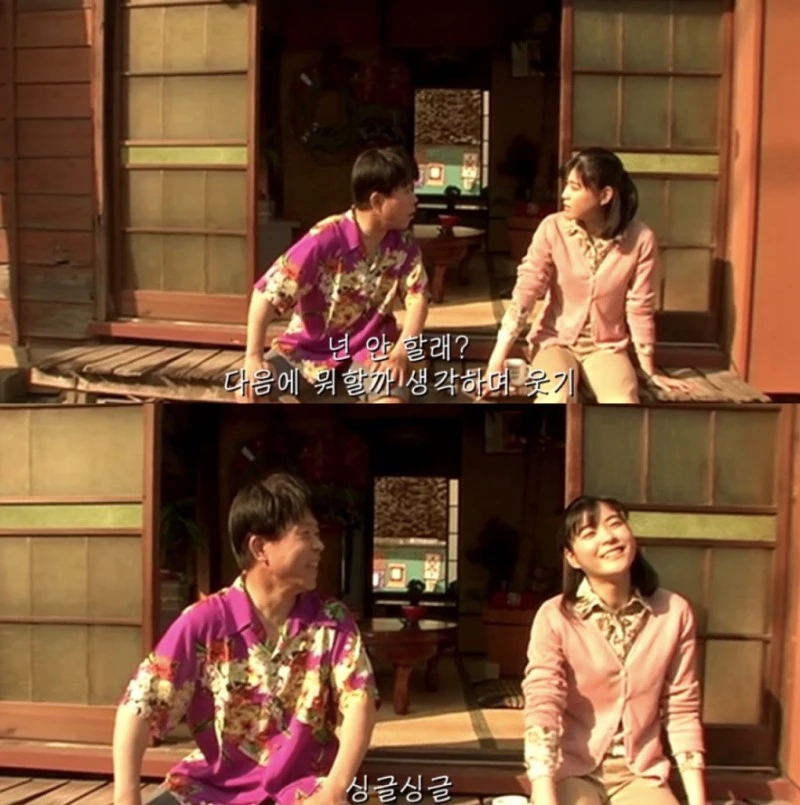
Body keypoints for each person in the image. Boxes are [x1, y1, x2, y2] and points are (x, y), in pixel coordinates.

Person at [112, 473, 378, 805]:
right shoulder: (204, 621)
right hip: (212, 789)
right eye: (305, 534)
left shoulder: (333, 620)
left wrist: (336, 789)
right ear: (260, 548)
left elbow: (360, 702)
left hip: (304, 790)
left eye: (317, 534)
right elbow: (139, 707)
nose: (319, 545)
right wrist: (126, 798)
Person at [523, 495, 708, 805]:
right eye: (589, 532)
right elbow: (544, 702)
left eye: (615, 524)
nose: (608, 537)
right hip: (573, 771)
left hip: (641, 774)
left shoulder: (674, 612)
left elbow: (682, 707)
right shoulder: (555, 616)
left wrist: (698, 799)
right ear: (571, 557)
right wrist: (542, 790)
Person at [483, 148, 690, 403]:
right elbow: (527, 290)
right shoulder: (552, 228)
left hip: (606, 347)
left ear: (605, 195)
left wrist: (648, 370)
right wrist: (497, 360)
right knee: (557, 395)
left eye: (574, 188)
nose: (564, 195)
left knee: (622, 399)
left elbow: (640, 305)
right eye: (566, 186)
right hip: (554, 341)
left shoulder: (640, 239)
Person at [240, 147, 429, 404]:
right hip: (308, 349)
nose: (414, 200)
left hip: (370, 350)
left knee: (391, 400)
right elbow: (266, 293)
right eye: (406, 191)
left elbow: (418, 299)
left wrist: (401, 351)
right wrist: (253, 357)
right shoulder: (324, 238)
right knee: (248, 389)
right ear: (377, 201)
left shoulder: (404, 244)